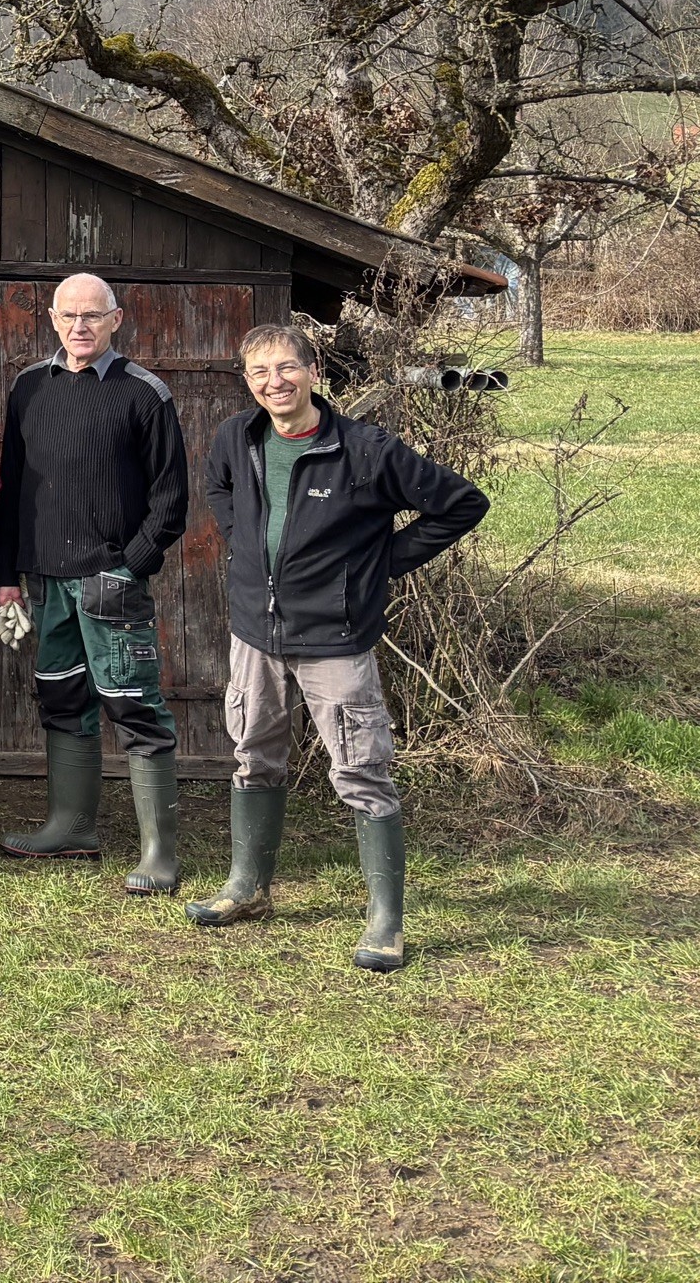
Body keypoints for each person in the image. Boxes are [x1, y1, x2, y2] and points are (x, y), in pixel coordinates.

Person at [187, 322, 486, 970]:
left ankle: (385, 920)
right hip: (255, 632)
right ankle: (248, 886)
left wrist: (375, 566)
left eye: (287, 368)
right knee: (253, 756)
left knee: (361, 771)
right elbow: (217, 488)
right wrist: (243, 540)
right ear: (248, 381)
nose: (275, 382)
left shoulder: (366, 450)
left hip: (334, 638)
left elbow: (462, 504)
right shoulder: (237, 437)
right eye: (260, 372)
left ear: (314, 371)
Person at [0, 273, 191, 893]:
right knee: (60, 697)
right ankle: (72, 826)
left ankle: (159, 853)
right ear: (52, 319)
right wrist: (6, 576)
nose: (80, 327)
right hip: (46, 581)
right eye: (69, 316)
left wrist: (129, 566)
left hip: (113, 581)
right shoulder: (30, 387)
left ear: (116, 320)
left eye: (93, 316)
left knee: (134, 705)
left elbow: (170, 500)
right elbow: (12, 487)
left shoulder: (144, 393)